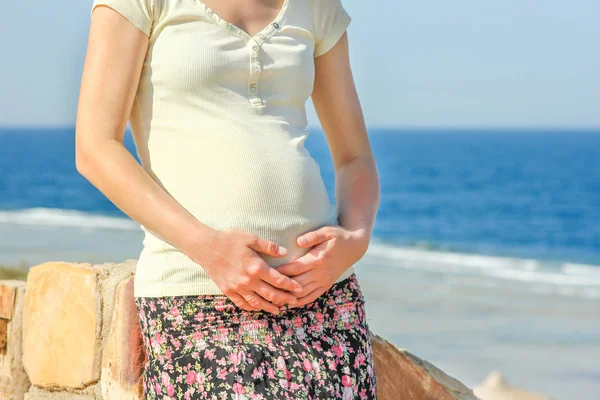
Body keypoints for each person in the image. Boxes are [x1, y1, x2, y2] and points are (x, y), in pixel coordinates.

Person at [76, 0, 380, 398]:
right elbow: (95, 148)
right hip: (197, 299)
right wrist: (206, 248)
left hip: (325, 298)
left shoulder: (316, 6)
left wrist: (355, 239)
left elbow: (355, 157)